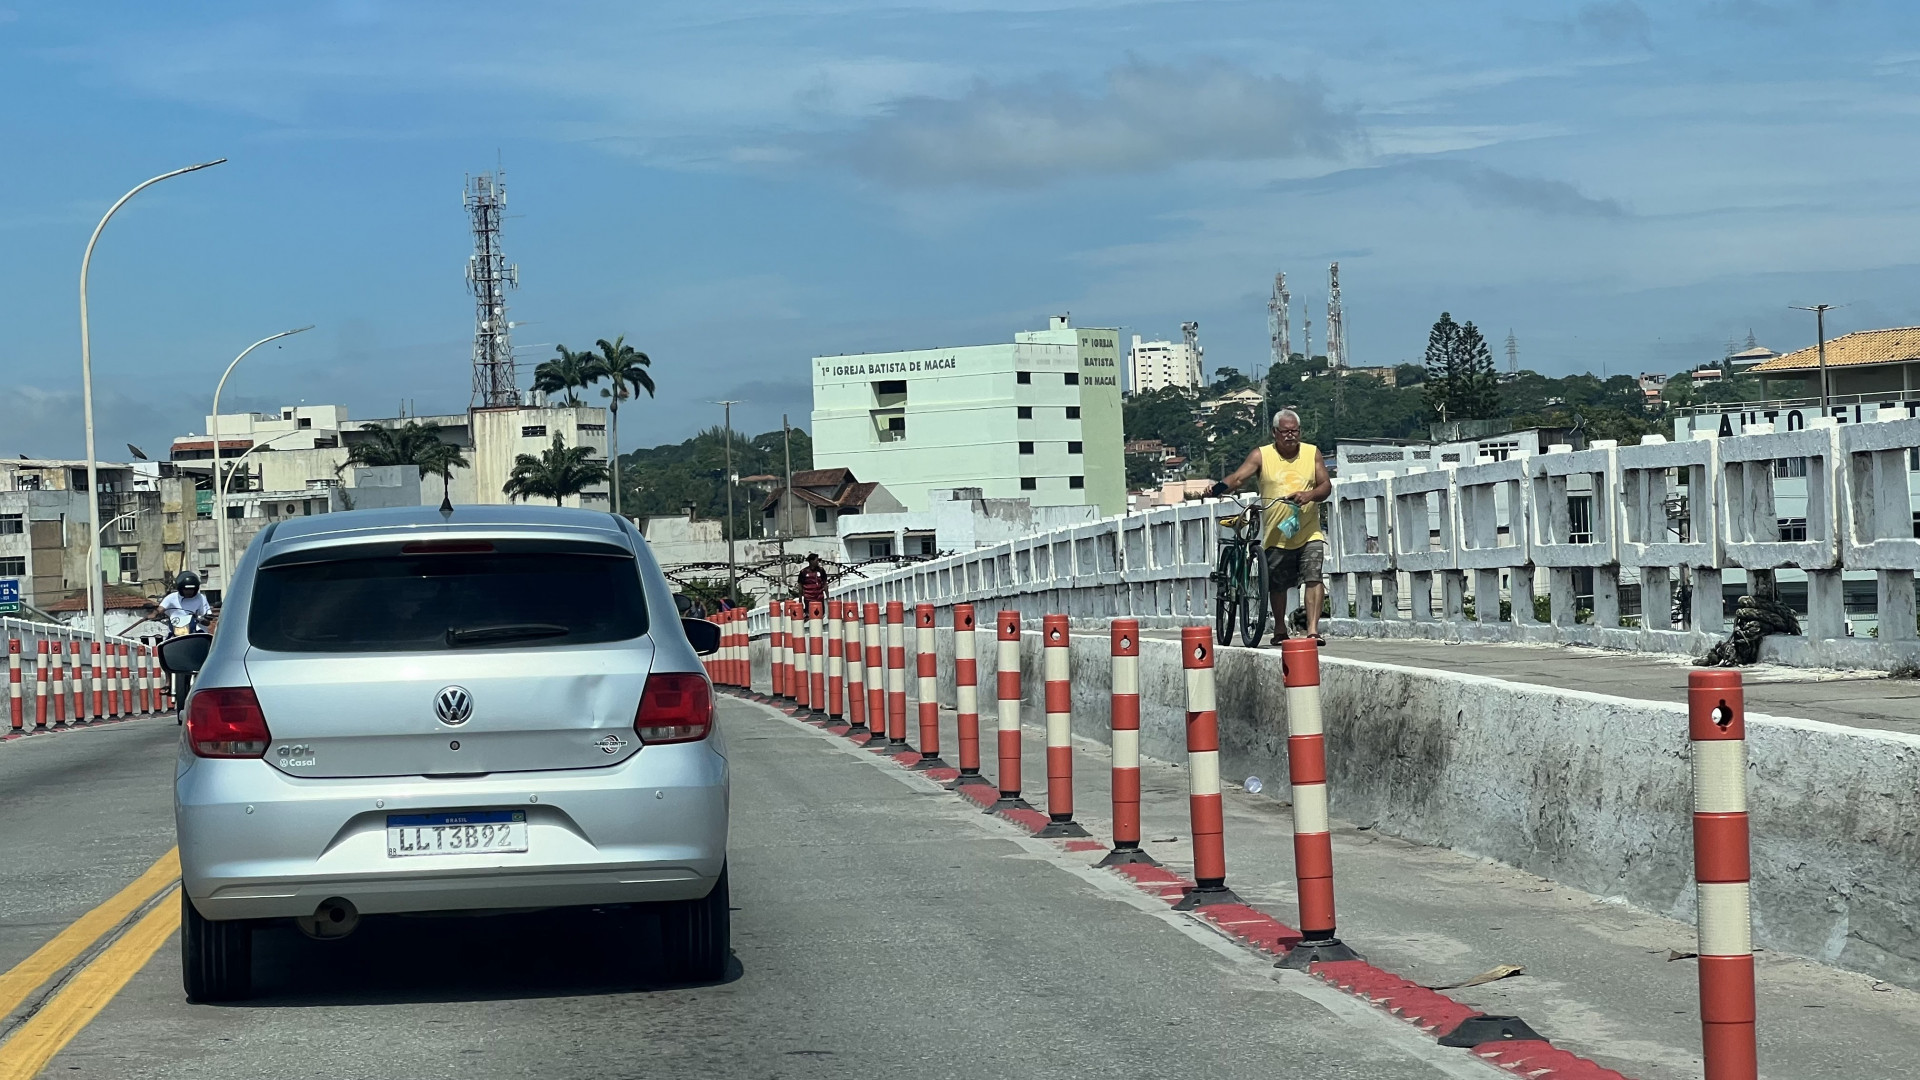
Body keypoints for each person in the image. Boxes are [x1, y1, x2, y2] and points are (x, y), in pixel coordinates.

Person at [1213, 409, 1332, 645]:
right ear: (1274, 433)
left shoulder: (1312, 453)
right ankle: (1279, 629)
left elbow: (1325, 486)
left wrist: (1309, 495)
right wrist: (1216, 489)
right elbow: (1238, 478)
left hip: (1309, 530)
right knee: (1276, 583)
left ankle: (1312, 630)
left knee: (1313, 576)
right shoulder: (1262, 455)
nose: (1290, 436)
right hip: (1276, 535)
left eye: (1294, 431)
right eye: (1285, 431)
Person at [158, 570, 214, 635]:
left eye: (191, 589)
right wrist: (156, 613)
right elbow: (160, 609)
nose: (189, 592)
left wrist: (200, 618)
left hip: (197, 631)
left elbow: (208, 619)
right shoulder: (171, 597)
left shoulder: (201, 598)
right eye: (186, 589)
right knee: (165, 638)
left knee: (205, 636)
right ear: (180, 588)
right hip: (175, 628)